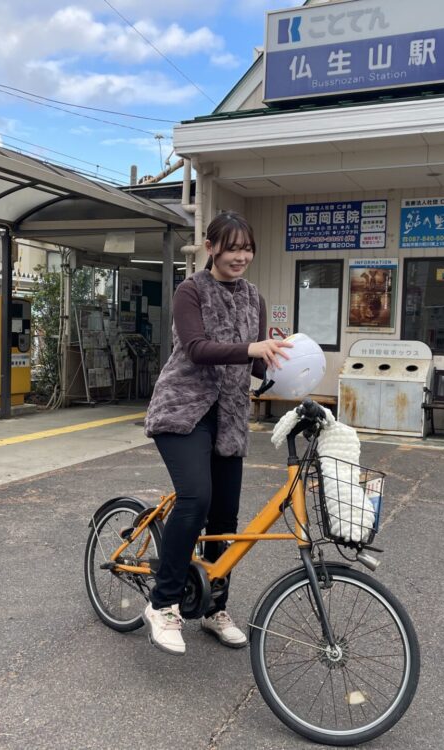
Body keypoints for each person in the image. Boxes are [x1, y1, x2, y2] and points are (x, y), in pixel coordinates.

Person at [141, 211, 292, 656]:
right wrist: (251, 348)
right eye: (232, 247)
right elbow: (198, 348)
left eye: (247, 248)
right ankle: (163, 603)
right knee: (196, 498)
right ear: (211, 248)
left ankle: (213, 608)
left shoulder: (254, 298)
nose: (241, 256)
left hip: (229, 414)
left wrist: (290, 361)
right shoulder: (191, 291)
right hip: (182, 411)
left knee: (225, 518)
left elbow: (259, 363)